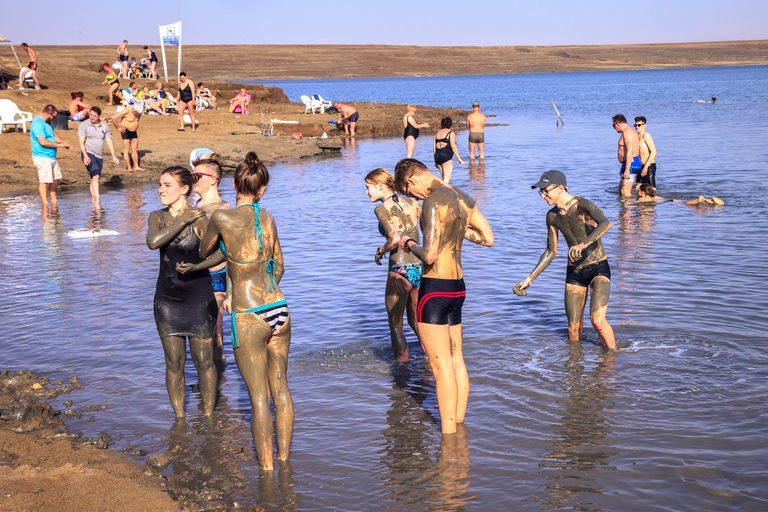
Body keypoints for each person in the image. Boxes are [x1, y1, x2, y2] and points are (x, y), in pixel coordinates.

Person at [198, 152, 293, 471]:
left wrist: (226, 248)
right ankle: (285, 464)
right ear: (261, 189)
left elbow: (204, 250)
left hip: (247, 313)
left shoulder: (222, 218)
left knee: (258, 400)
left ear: (234, 184)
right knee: (281, 391)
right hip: (278, 307)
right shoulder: (267, 217)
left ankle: (267, 473)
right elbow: (279, 265)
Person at [393, 158, 494, 434]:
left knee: (441, 368)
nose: (411, 196)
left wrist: (407, 242)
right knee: (457, 359)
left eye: (407, 191)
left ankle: (448, 439)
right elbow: (487, 238)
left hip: (435, 288)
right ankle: (459, 427)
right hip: (458, 287)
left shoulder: (432, 201)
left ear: (411, 179)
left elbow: (430, 254)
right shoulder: (461, 196)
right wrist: (460, 232)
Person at [514, 170, 617, 350]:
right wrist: (529, 279)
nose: (543, 196)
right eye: (541, 192)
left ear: (560, 188)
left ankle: (612, 361)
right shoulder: (552, 216)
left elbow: (605, 223)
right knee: (573, 331)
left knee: (598, 321)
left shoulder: (582, 204)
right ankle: (574, 372)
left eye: (546, 191)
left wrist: (584, 244)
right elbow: (551, 251)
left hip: (597, 267)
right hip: (575, 274)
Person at [146, 166, 219, 418]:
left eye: (167, 185)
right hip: (167, 301)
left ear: (184, 189)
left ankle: (209, 418)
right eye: (159, 185)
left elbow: (222, 251)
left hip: (199, 300)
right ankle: (179, 419)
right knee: (174, 363)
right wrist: (182, 221)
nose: (161, 190)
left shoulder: (200, 219)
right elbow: (153, 242)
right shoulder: (157, 216)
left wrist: (199, 265)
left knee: (203, 361)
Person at [364, 168, 423, 363]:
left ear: (380, 186)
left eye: (368, 188)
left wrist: (380, 251)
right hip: (419, 267)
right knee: (417, 323)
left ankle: (402, 372)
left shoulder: (381, 209)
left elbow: (394, 239)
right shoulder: (413, 202)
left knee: (396, 324)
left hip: (400, 270)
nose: (366, 193)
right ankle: (433, 360)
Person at [189, 155, 232, 365]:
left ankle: (219, 383)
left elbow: (232, 252)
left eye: (197, 176)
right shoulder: (196, 205)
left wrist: (230, 292)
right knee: (200, 330)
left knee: (216, 331)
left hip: (216, 276)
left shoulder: (223, 209)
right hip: (197, 275)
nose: (193, 180)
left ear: (213, 179)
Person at [30, 105, 72, 206]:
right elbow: (43, 142)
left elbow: (53, 135)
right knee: (44, 180)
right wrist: (59, 145)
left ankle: (54, 202)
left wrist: (65, 143)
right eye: (54, 116)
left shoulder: (47, 123)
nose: (54, 119)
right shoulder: (38, 124)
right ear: (48, 114)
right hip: (42, 156)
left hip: (51, 156)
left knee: (54, 180)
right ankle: (45, 204)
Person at [77, 106, 119, 204]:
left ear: (99, 116)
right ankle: (98, 201)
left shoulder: (104, 126)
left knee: (94, 177)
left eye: (94, 116)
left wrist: (114, 156)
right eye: (90, 115)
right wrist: (85, 155)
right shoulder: (83, 125)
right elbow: (81, 142)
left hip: (99, 155)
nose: (91, 117)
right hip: (88, 153)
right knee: (96, 175)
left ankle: (93, 202)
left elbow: (109, 141)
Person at [106, 103, 144, 172]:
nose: (137, 115)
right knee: (127, 149)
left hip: (134, 131)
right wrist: (117, 127)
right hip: (125, 131)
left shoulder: (139, 110)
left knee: (135, 148)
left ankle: (136, 166)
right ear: (133, 109)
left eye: (138, 113)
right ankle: (129, 167)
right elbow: (114, 117)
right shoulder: (127, 110)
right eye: (136, 113)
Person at [613, 114, 641, 197]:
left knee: (625, 193)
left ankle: (631, 208)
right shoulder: (626, 132)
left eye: (613, 125)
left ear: (617, 123)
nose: (614, 128)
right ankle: (624, 209)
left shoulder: (627, 133)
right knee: (621, 190)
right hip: (628, 163)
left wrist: (627, 169)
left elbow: (630, 151)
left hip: (632, 163)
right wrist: (624, 167)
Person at [433, 117, 464, 183]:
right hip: (446, 156)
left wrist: (435, 160)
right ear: (450, 125)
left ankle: (441, 191)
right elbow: (453, 146)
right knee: (447, 178)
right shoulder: (450, 133)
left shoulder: (437, 134)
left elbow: (434, 148)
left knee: (443, 178)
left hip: (438, 157)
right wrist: (459, 158)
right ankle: (442, 192)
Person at [636, 183, 724, 205]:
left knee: (687, 204)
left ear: (643, 192)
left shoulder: (642, 199)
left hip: (669, 202)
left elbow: (633, 204)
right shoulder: (653, 196)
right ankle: (711, 201)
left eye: (638, 191)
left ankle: (699, 200)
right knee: (687, 202)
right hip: (670, 200)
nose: (638, 192)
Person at [634, 116, 657, 191]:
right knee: (638, 189)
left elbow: (654, 152)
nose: (637, 127)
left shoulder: (646, 136)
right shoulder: (636, 137)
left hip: (649, 166)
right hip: (640, 166)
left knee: (651, 190)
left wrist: (646, 167)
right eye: (635, 125)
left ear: (644, 125)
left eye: (639, 125)